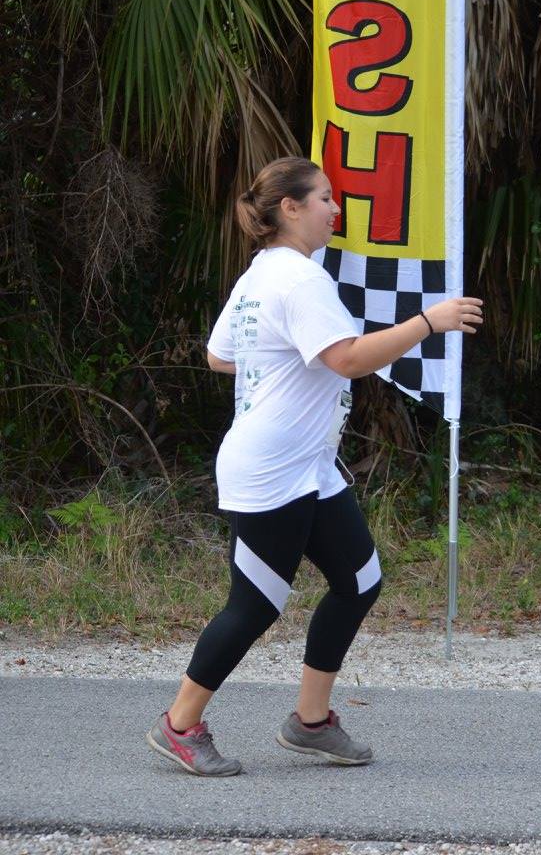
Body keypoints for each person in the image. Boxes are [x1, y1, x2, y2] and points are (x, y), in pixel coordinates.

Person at [147, 156, 483, 776]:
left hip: (311, 466)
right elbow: (347, 359)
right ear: (291, 208)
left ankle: (310, 722)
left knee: (359, 581)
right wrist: (428, 322)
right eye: (325, 198)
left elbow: (222, 355)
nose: (336, 209)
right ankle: (179, 724)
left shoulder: (263, 273)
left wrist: (280, 358)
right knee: (255, 605)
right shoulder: (298, 279)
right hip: (270, 470)